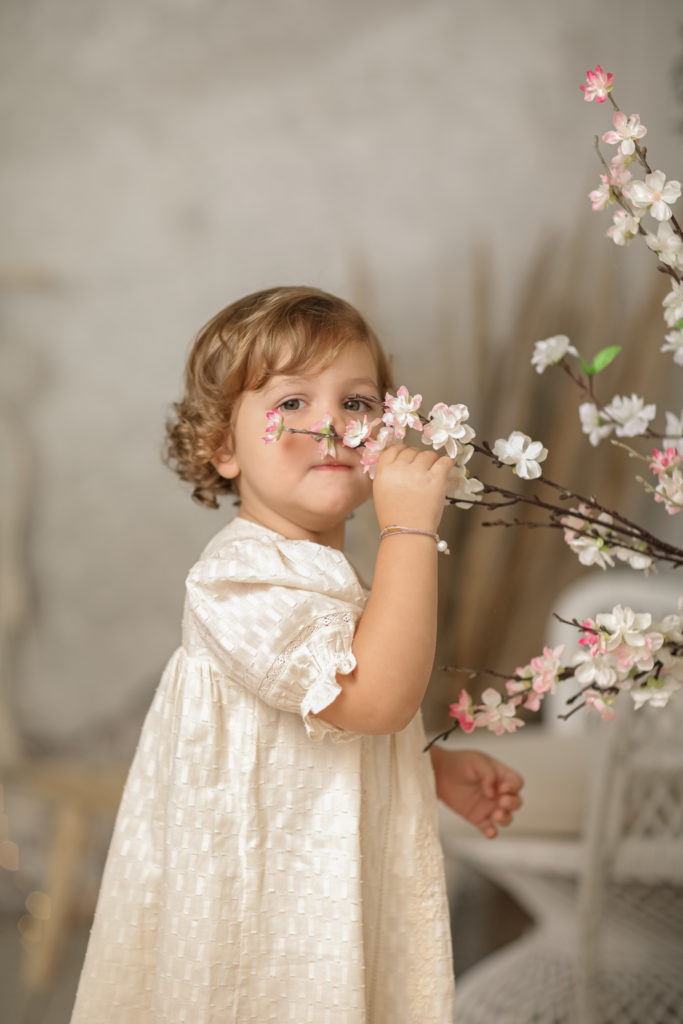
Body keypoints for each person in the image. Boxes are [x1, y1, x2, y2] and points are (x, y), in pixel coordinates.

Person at [70, 286, 523, 1024]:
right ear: (222, 447)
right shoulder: (238, 578)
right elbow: (373, 700)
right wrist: (410, 531)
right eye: (290, 403)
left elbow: (327, 716)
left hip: (322, 880)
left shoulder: (325, 578)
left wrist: (427, 765)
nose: (329, 425)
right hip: (264, 899)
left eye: (357, 403)